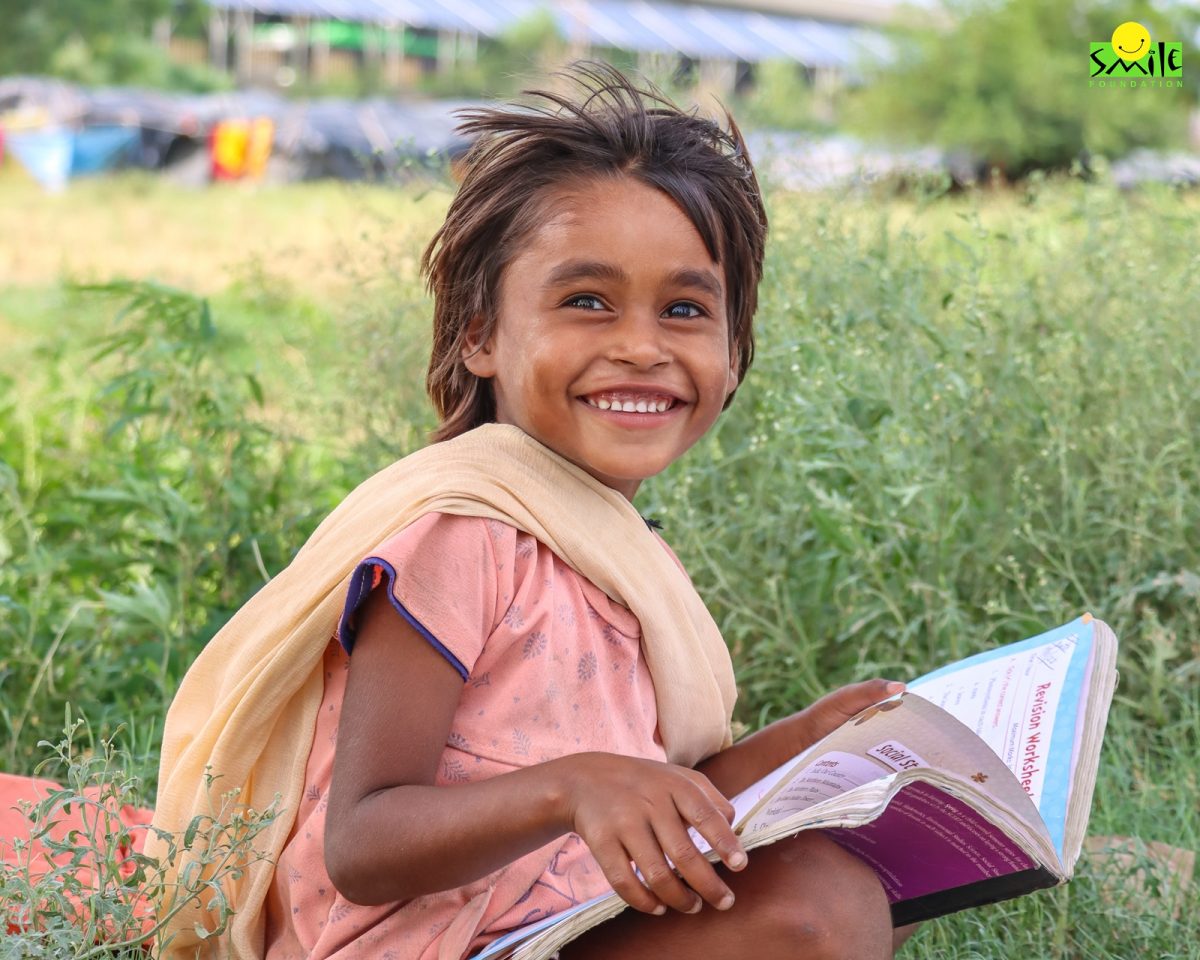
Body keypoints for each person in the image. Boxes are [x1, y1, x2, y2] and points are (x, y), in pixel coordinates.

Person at [147, 61, 912, 959]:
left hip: (558, 925)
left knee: (823, 885)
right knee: (814, 911)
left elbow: (662, 792)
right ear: (479, 334)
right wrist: (570, 787)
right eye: (586, 301)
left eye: (685, 309)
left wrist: (809, 738)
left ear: (734, 353)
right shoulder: (462, 534)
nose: (640, 346)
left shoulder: (618, 554)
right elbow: (361, 843)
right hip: (428, 945)